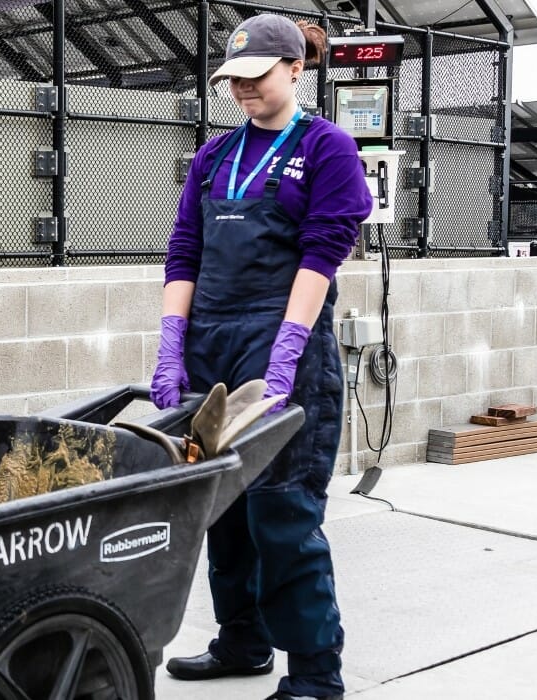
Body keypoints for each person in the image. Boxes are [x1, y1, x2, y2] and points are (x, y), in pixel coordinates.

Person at [151, 13, 371, 700]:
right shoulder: (215, 156)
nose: (242, 90)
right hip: (210, 344)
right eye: (232, 80)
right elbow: (185, 249)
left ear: (295, 70)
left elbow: (322, 253)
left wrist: (286, 351)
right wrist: (170, 346)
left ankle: (314, 673)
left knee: (282, 513)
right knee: (223, 510)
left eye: (256, 77)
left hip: (285, 350)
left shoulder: (328, 148)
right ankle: (241, 643)